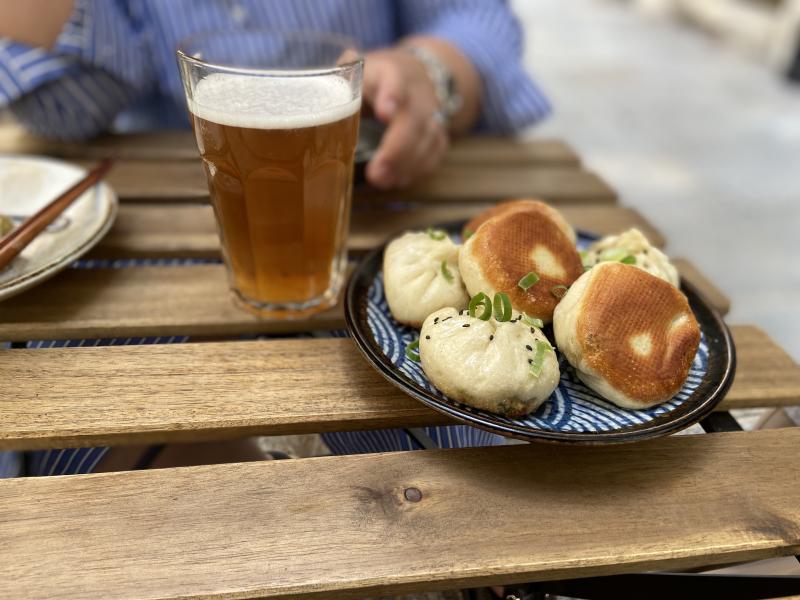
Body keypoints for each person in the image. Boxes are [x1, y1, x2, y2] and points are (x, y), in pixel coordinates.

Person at [0, 0, 551, 476]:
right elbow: (66, 107)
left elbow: (481, 19)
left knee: (487, 440)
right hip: (169, 231)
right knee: (56, 406)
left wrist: (429, 71)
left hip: (382, 214)